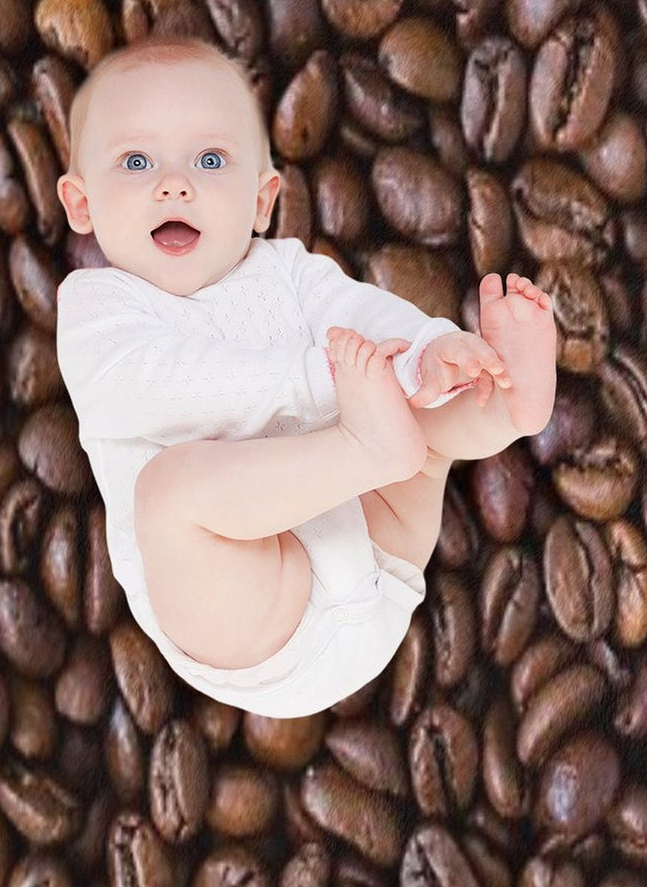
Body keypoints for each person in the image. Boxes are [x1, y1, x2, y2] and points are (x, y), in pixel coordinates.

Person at [55, 35, 557, 718]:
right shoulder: (97, 309)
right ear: (81, 204)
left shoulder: (286, 270)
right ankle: (370, 447)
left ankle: (503, 405)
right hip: (257, 615)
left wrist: (428, 351)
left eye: (210, 160)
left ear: (262, 202)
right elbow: (164, 387)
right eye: (137, 161)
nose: (175, 185)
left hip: (379, 549)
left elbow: (363, 316)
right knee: (167, 494)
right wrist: (321, 379)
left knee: (419, 413)